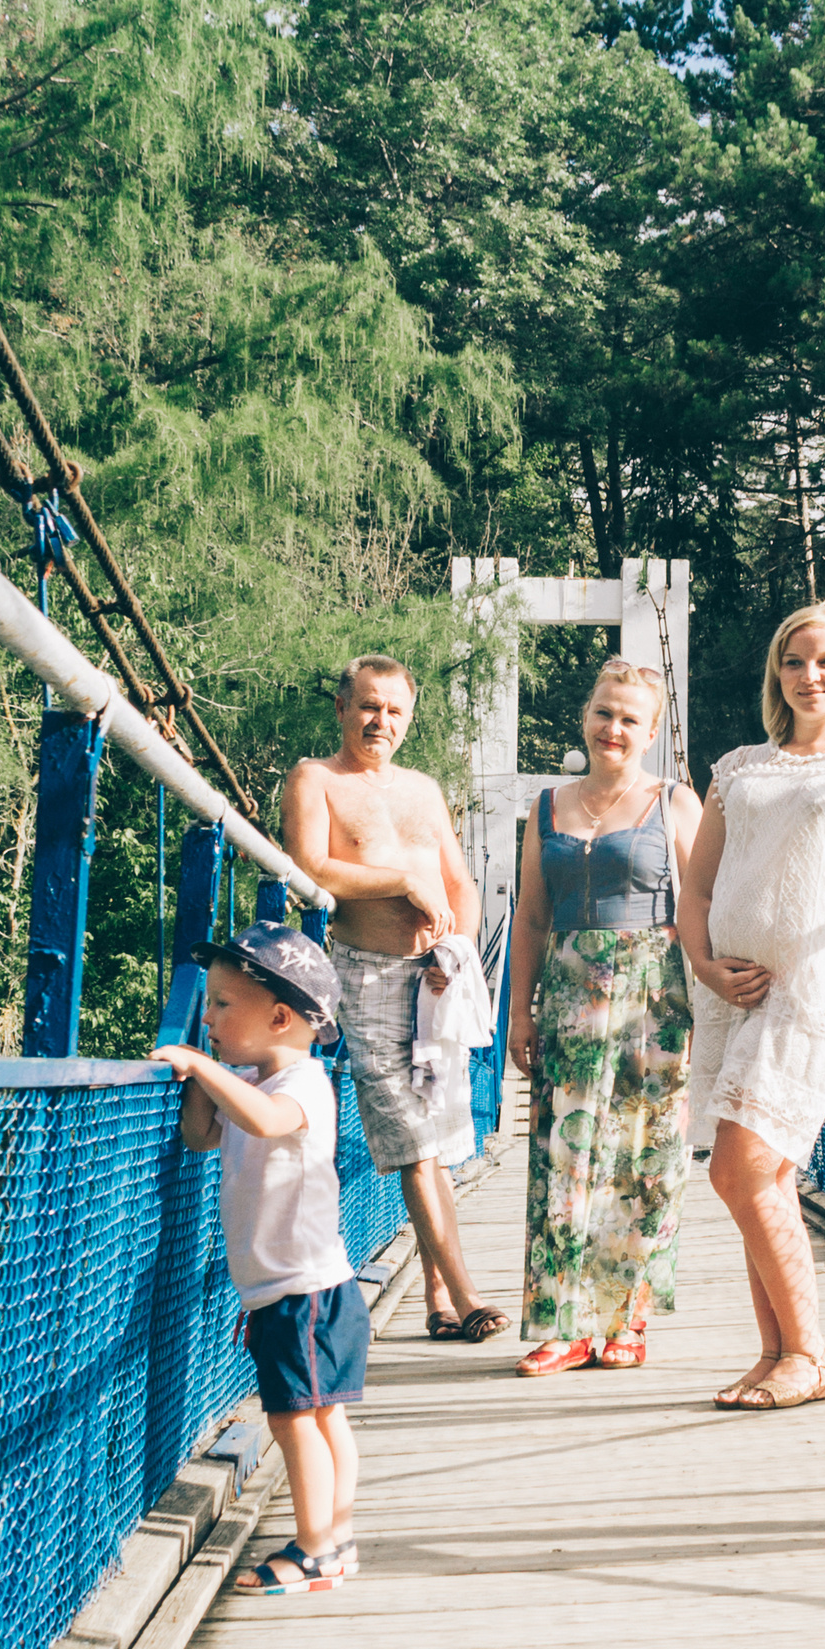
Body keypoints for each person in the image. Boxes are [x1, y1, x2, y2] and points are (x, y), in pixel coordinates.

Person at [677, 603, 825, 1412]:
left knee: (741, 1168)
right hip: (729, 995)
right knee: (763, 1176)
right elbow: (697, 891)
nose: (808, 676)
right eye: (793, 661)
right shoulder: (738, 769)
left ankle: (811, 1354)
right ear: (776, 673)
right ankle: (776, 1352)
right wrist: (706, 967)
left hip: (813, 990)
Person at [283, 655, 508, 1345]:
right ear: (342, 708)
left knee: (436, 1137)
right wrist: (401, 883)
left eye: (394, 710)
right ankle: (467, 1296)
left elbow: (460, 884)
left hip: (436, 979)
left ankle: (437, 1298)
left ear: (408, 718)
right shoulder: (315, 779)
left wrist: (455, 949)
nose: (381, 720)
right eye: (368, 705)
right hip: (368, 977)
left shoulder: (423, 789)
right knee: (414, 1141)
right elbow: (309, 867)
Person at [504, 658, 703, 1376]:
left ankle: (626, 1319)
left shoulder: (673, 802)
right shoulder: (547, 807)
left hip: (653, 1000)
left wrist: (720, 989)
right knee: (565, 1154)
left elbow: (704, 906)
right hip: (567, 998)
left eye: (629, 719)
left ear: (650, 732)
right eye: (603, 713)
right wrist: (519, 1014)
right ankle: (563, 1324)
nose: (613, 728)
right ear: (586, 717)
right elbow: (531, 917)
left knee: (643, 1157)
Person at [154, 923, 364, 1594]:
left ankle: (316, 1548)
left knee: (294, 1418)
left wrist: (205, 1068)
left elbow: (268, 1121)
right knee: (321, 1415)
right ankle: (335, 1541)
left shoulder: (305, 1083)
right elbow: (199, 1136)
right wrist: (205, 1075)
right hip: (296, 1289)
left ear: (278, 1018)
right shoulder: (249, 1079)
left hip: (304, 1291)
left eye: (221, 1004)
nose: (208, 1017)